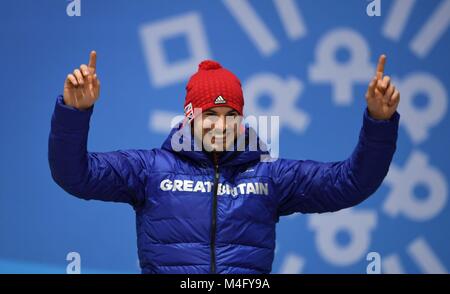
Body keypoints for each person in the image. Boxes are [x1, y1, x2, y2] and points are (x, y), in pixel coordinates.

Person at [48, 51, 400, 274]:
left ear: (242, 120)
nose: (220, 124)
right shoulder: (149, 170)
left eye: (230, 114)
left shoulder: (269, 175)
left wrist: (378, 122)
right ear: (189, 118)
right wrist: (74, 113)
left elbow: (352, 183)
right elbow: (74, 175)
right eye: (209, 114)